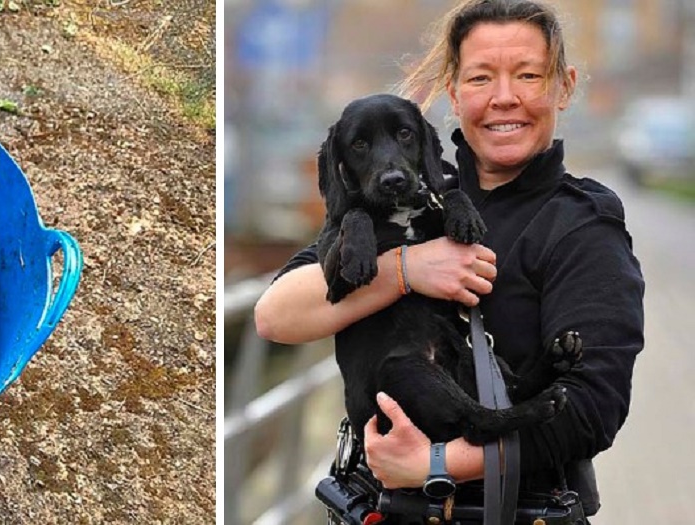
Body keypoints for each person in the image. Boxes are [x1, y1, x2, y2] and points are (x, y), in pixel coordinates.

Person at [254, 0, 644, 519]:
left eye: (528, 75)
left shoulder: (582, 224)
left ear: (564, 86)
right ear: (455, 94)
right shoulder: (405, 196)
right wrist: (406, 272)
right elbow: (275, 315)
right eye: (481, 78)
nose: (504, 98)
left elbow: (593, 408)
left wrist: (438, 463)